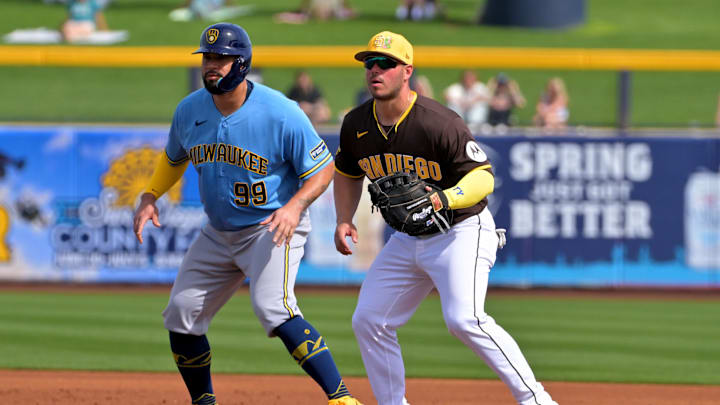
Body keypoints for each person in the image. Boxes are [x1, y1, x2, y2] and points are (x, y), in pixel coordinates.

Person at [132, 23, 362, 405]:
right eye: (208, 57)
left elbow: (322, 170)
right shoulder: (189, 110)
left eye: (220, 58)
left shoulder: (280, 112)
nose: (211, 65)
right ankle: (204, 402)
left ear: (241, 63)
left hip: (271, 226)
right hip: (219, 232)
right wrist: (151, 194)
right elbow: (174, 158)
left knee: (274, 307)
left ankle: (341, 397)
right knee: (181, 313)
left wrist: (294, 206)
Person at [333, 30, 558, 405]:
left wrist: (445, 198)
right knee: (370, 319)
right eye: (369, 63)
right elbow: (346, 171)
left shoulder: (438, 121)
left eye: (386, 64)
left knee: (464, 319)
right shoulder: (356, 124)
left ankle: (536, 400)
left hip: (462, 229)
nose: (375, 70)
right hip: (407, 238)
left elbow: (483, 177)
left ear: (407, 71)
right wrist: (344, 218)